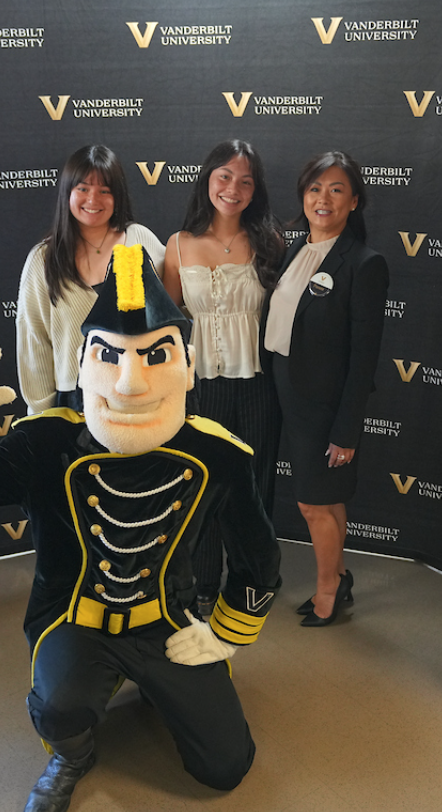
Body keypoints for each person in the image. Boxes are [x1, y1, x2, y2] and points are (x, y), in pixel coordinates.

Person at [0, 244, 281, 812]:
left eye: (154, 357)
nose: (130, 384)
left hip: (169, 620)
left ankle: (167, 690)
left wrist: (227, 632)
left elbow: (259, 557)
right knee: (58, 705)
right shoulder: (47, 443)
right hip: (73, 618)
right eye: (111, 355)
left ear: (185, 365)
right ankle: (72, 754)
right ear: (83, 363)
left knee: (226, 768)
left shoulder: (217, 454)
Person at [260, 151, 389, 627]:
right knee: (329, 499)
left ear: (354, 201)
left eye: (337, 189)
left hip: (322, 403)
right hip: (282, 384)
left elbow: (363, 357)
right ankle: (338, 577)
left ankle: (327, 593)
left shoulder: (364, 263)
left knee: (314, 503)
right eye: (316, 188)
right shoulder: (294, 249)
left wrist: (347, 430)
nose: (324, 198)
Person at [163, 139, 284, 617]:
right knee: (202, 484)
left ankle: (252, 582)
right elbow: (170, 324)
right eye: (225, 176)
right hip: (199, 387)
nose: (234, 188)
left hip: (257, 384)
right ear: (208, 179)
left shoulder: (270, 241)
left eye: (246, 181)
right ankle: (204, 583)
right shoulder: (177, 244)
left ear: (255, 191)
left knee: (253, 487)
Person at [17, 145, 166, 413]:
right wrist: (41, 415)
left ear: (117, 196)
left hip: (138, 389)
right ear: (67, 192)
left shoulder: (141, 242)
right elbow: (34, 340)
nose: (93, 199)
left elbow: (172, 317)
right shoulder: (44, 259)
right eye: (83, 188)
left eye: (104, 190)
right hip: (74, 398)